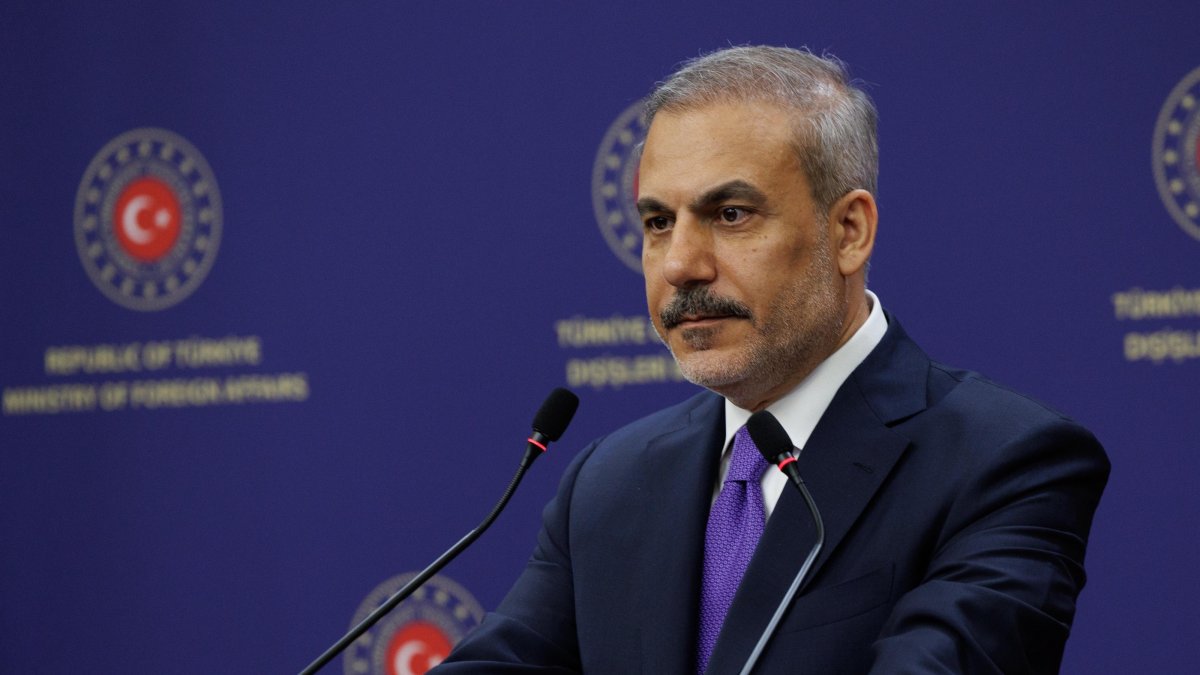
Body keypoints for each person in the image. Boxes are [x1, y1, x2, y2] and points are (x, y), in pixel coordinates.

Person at [433, 45, 1109, 674]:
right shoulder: (609, 482)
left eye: (729, 214)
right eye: (658, 222)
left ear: (848, 231)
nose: (680, 265)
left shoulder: (1006, 461)